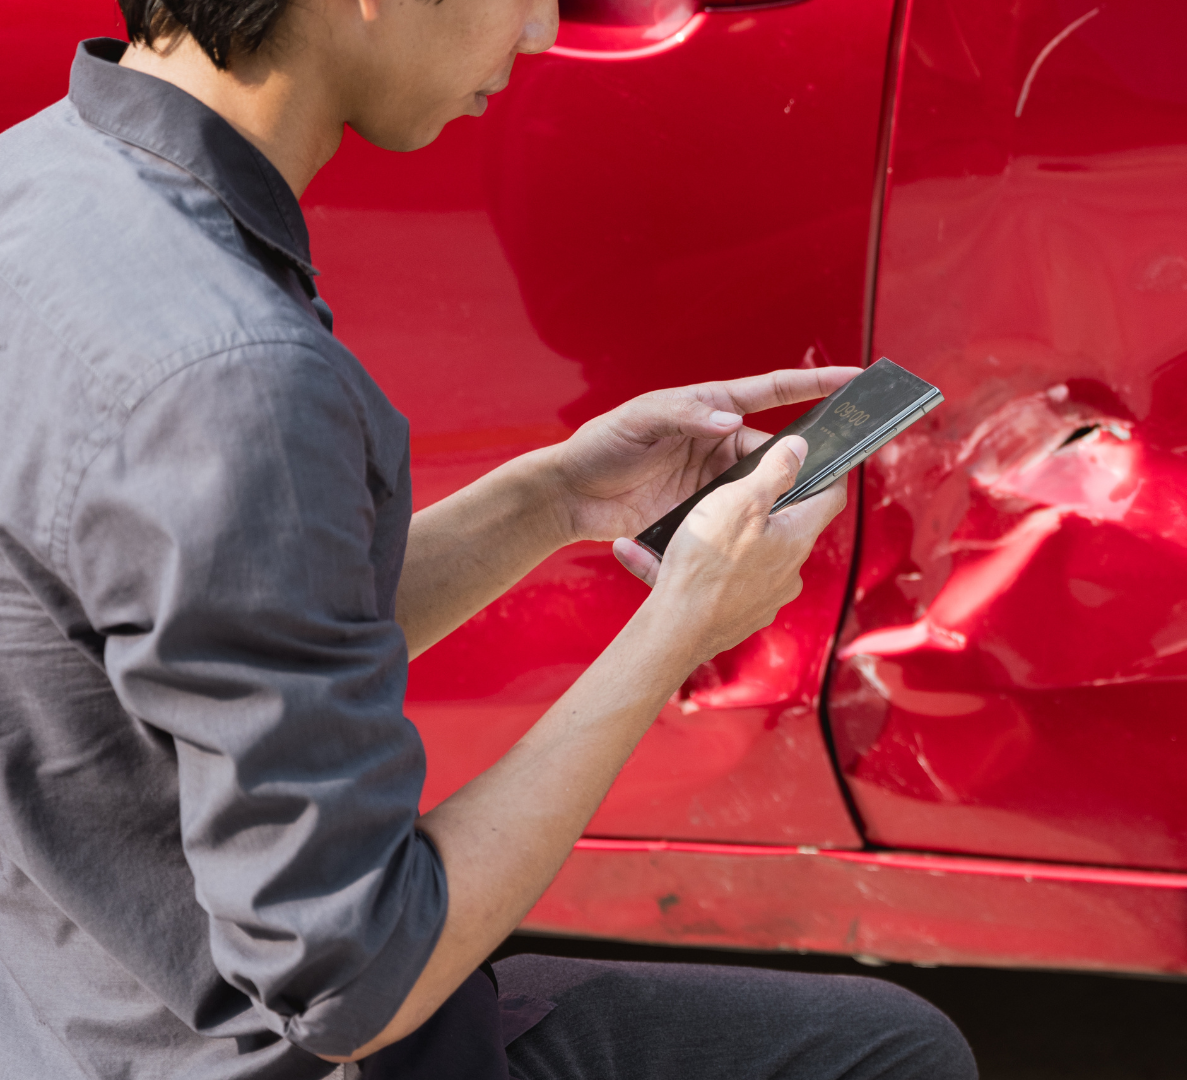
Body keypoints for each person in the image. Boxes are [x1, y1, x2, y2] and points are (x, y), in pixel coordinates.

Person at [0, 1, 976, 1078]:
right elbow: (360, 980)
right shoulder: (233, 378)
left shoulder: (44, 183)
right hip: (263, 1054)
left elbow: (210, 642)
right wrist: (680, 627)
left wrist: (555, 498)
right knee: (892, 1053)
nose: (542, 31)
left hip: (64, 1014)